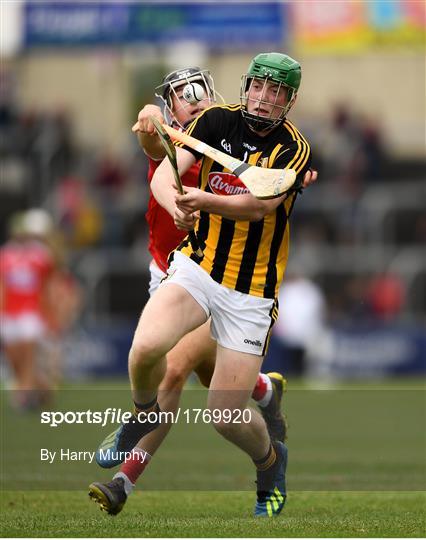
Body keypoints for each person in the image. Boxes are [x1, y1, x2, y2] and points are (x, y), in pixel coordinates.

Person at [89, 54, 315, 518]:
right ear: (246, 85)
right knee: (146, 350)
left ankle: (270, 461)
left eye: (277, 92)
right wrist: (174, 201)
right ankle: (143, 418)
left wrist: (203, 198)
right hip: (198, 266)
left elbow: (256, 207)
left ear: (289, 100)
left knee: (224, 417)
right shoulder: (215, 121)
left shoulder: (294, 150)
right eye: (259, 87)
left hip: (250, 291)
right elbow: (166, 168)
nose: (265, 98)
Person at [0, 209, 56, 409]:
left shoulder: (40, 256)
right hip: (9, 313)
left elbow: (47, 287)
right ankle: (41, 389)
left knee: (28, 354)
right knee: (14, 357)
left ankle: (23, 396)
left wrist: (50, 314)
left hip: (31, 312)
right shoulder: (5, 255)